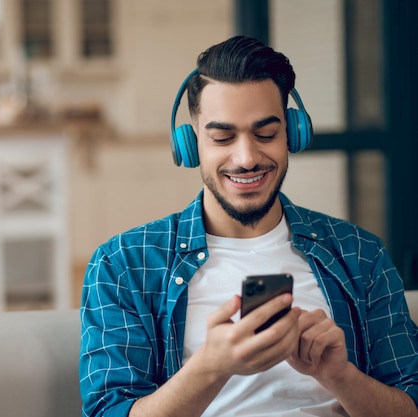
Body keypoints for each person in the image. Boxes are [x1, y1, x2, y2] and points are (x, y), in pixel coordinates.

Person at [79, 35, 418, 417]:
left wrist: (340, 376)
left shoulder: (360, 254)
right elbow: (108, 411)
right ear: (190, 145)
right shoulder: (124, 264)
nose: (246, 158)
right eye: (223, 137)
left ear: (293, 132)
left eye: (266, 134)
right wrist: (211, 367)